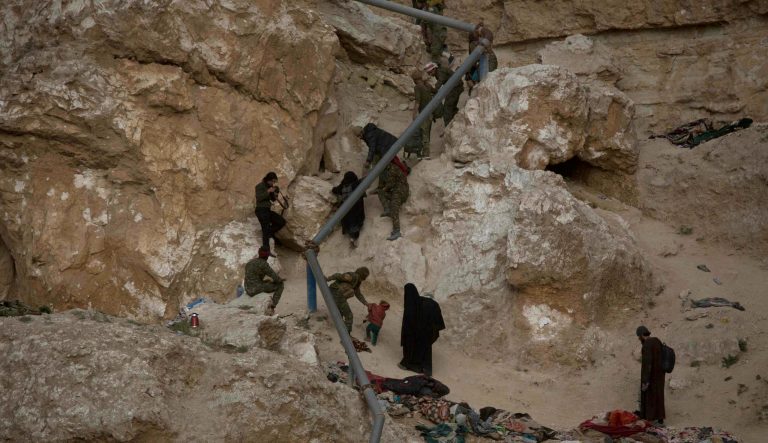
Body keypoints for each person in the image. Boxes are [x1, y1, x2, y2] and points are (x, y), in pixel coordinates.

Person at [399, 283, 445, 376]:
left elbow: (409, 320)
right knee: (425, 349)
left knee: (411, 345)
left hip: (416, 331)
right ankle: (426, 369)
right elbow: (439, 322)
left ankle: (407, 365)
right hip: (428, 332)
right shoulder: (433, 304)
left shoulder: (413, 302)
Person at [326, 267, 371, 333]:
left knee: (341, 312)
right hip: (336, 293)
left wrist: (366, 303)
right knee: (349, 316)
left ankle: (341, 329)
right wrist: (327, 279)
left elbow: (358, 294)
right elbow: (338, 275)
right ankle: (347, 335)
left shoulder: (357, 281)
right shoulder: (353, 276)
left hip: (339, 295)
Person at [636, 326, 666, 424]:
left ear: (641, 335)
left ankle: (649, 419)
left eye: (638, 336)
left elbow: (647, 364)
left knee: (649, 397)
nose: (638, 339)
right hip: (660, 375)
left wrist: (645, 380)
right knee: (659, 396)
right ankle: (660, 419)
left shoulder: (647, 345)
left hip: (651, 376)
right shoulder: (657, 341)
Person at [244, 247, 285, 314]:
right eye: (268, 256)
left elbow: (252, 278)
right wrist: (280, 280)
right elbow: (274, 277)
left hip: (247, 288)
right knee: (280, 285)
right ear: (267, 257)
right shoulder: (263, 264)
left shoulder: (250, 263)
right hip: (255, 289)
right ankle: (273, 305)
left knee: (267, 281)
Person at [332, 171, 366, 248]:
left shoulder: (342, 186)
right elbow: (362, 181)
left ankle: (352, 238)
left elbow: (335, 190)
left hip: (345, 209)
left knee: (349, 223)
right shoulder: (355, 184)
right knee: (355, 222)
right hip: (355, 208)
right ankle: (354, 238)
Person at [254, 172, 286, 252]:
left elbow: (273, 199)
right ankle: (266, 251)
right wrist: (268, 191)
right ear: (268, 180)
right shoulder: (259, 186)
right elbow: (259, 198)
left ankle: (269, 233)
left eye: (274, 182)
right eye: (272, 181)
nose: (273, 183)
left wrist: (276, 193)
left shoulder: (270, 186)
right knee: (265, 228)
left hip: (267, 210)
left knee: (281, 221)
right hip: (261, 210)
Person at [426, 61, 463, 126]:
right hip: (455, 87)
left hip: (455, 88)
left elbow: (440, 83)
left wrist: (432, 89)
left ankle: (448, 128)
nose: (430, 74)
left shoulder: (440, 72)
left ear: (434, 69)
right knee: (452, 107)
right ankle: (456, 123)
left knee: (447, 109)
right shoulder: (439, 71)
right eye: (428, 73)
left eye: (430, 72)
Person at [412, 70, 437, 159]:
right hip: (430, 113)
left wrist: (414, 114)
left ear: (414, 79)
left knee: (423, 133)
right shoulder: (427, 85)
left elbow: (417, 101)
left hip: (424, 113)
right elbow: (435, 91)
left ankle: (425, 154)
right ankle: (425, 152)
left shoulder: (418, 87)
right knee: (427, 133)